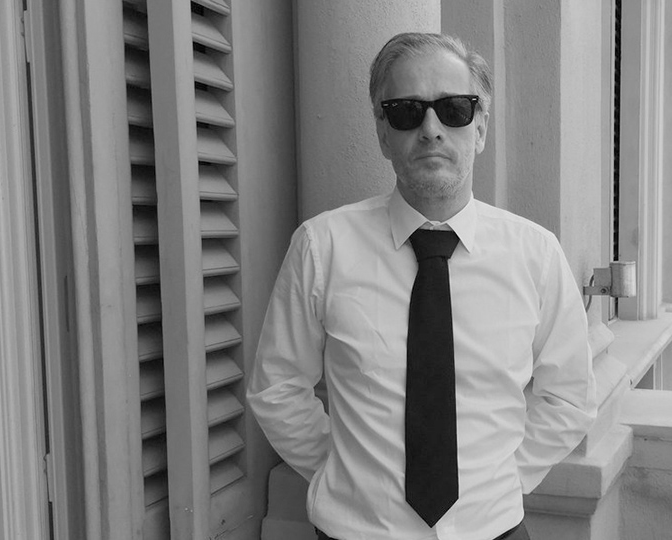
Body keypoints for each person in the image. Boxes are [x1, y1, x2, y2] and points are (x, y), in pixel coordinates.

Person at [247, 32, 597, 540]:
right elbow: (277, 387)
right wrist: (342, 471)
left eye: (454, 109)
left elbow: (569, 397)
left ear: (480, 128)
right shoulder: (322, 247)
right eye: (407, 111)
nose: (431, 130)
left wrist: (499, 483)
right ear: (382, 133)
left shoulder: (536, 255)